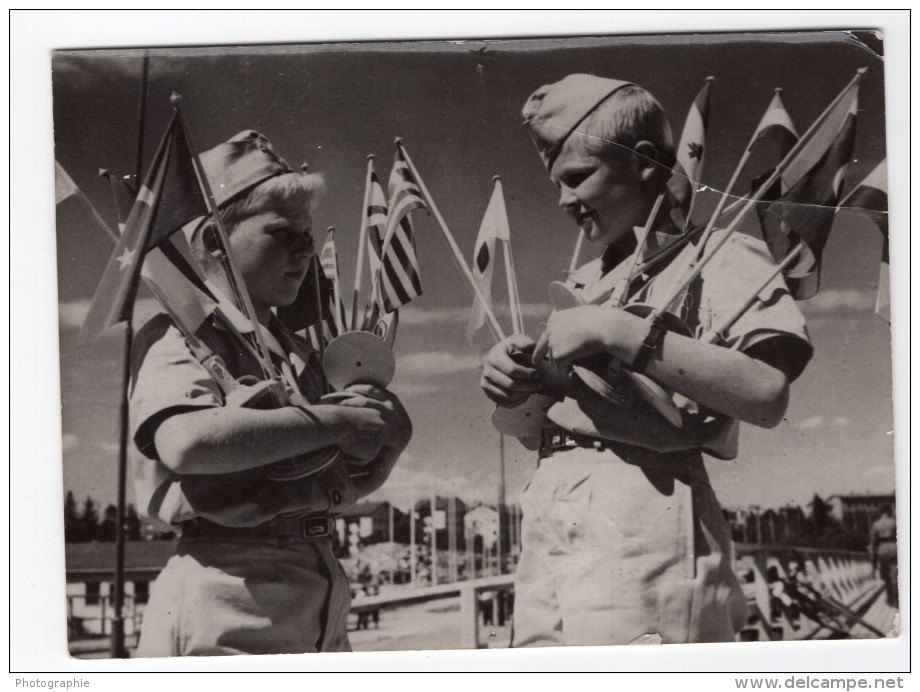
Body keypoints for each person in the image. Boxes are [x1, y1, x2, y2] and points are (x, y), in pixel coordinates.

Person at [480, 75, 813, 647]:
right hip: (552, 515)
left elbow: (765, 394)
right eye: (556, 184)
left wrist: (614, 329)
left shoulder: (718, 251)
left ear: (642, 162)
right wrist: (515, 378)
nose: (563, 200)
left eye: (578, 177)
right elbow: (557, 413)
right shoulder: (583, 281)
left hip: (645, 513)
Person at [130, 131, 412, 656]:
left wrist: (389, 441)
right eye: (282, 232)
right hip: (229, 588)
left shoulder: (299, 353)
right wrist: (334, 423)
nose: (305, 250)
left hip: (319, 584)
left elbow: (332, 480)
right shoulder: (182, 333)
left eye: (306, 233)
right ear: (214, 241)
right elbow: (185, 443)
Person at [869, 504, 898, 606]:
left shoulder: (876, 525)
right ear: (888, 512)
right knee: (894, 574)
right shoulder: (895, 522)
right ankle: (896, 599)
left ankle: (890, 599)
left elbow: (873, 543)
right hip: (895, 548)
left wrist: (873, 563)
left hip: (882, 550)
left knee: (886, 576)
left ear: (881, 512)